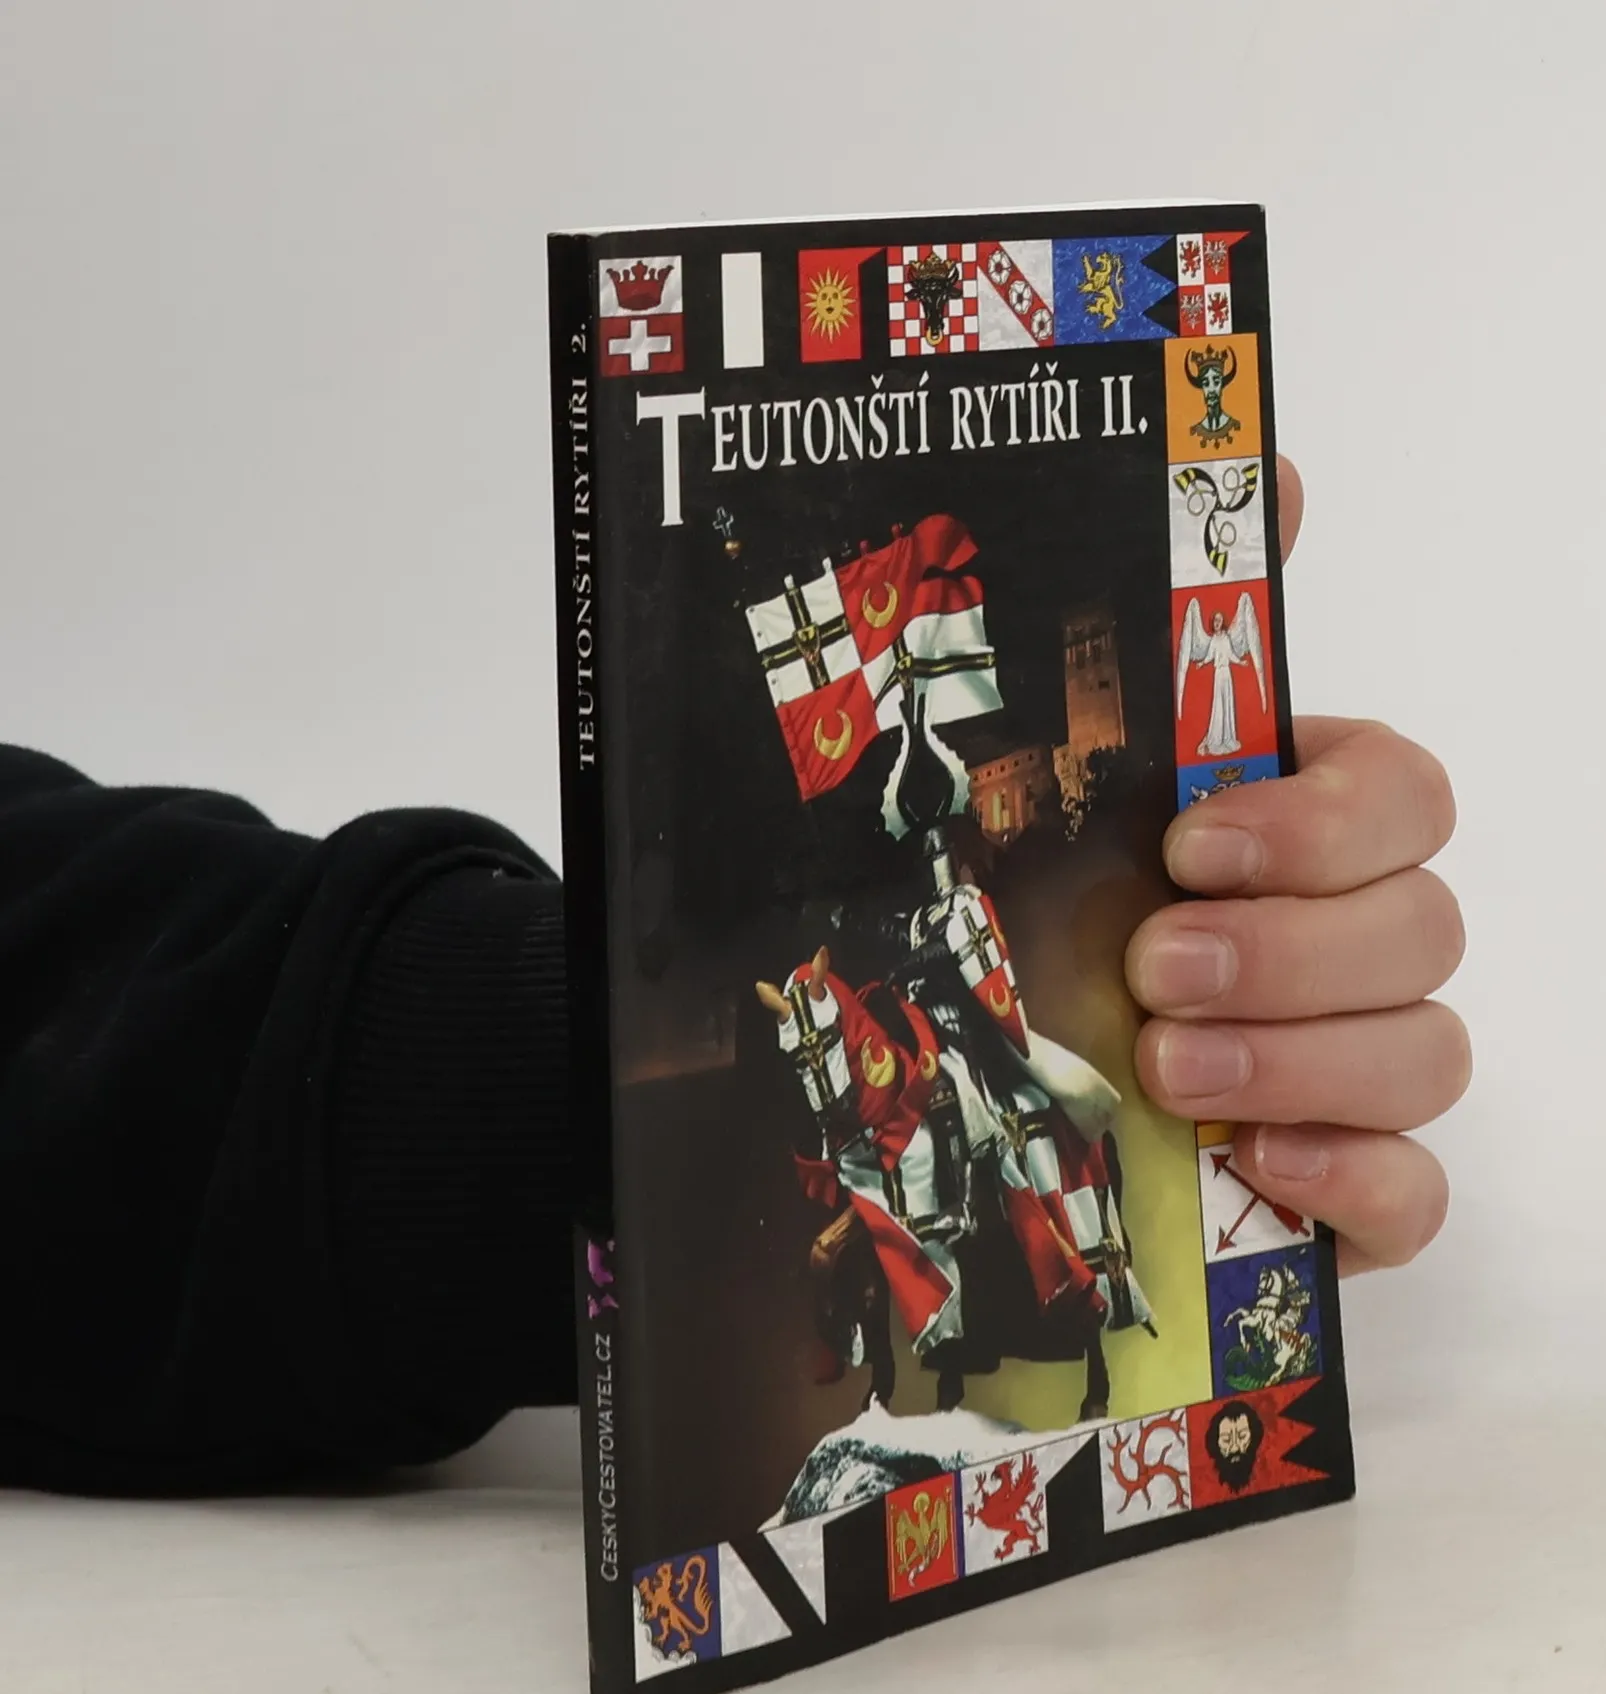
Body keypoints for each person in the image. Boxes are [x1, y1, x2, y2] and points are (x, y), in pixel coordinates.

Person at [0, 457, 1468, 1495]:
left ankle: (1101, 1279)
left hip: (969, 997)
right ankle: (919, 1337)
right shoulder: (889, 849)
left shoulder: (950, 852)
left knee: (1038, 1101)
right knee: (908, 1144)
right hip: (903, 1000)